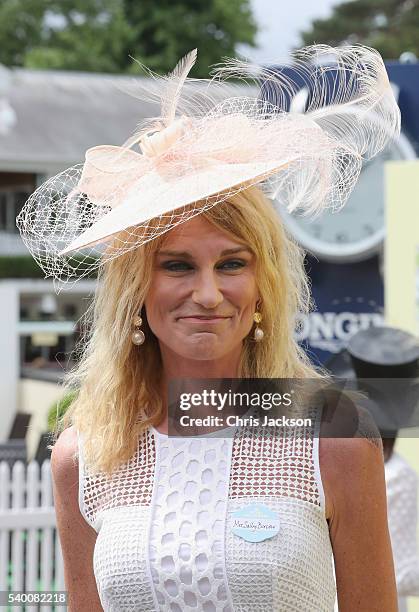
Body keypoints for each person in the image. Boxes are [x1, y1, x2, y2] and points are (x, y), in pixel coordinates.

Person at [17, 45, 401, 611]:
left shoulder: (333, 435)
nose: (207, 293)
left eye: (231, 264)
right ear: (136, 292)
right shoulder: (85, 454)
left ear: (262, 285)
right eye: (177, 265)